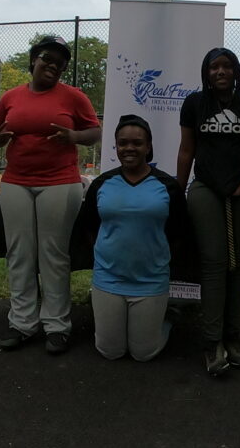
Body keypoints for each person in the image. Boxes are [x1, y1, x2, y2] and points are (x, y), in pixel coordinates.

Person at [0, 35, 101, 355]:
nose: (53, 65)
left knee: (53, 254)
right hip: (16, 182)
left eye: (60, 62)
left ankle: (56, 326)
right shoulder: (10, 97)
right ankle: (23, 323)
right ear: (33, 61)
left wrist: (75, 136)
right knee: (19, 253)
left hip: (59, 182)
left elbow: (95, 131)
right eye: (46, 58)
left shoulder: (74, 97)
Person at [177, 47, 240, 376]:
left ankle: (234, 337)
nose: (220, 72)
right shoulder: (194, 105)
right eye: (214, 67)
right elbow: (187, 149)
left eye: (227, 66)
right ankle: (211, 341)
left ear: (236, 71)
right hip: (207, 188)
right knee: (214, 263)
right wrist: (178, 190)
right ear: (206, 73)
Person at [69, 115, 190, 362]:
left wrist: (157, 260)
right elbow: (89, 228)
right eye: (123, 143)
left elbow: (179, 233)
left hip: (150, 280)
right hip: (108, 279)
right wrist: (106, 256)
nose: (129, 148)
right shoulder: (102, 183)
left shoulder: (167, 186)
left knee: (143, 353)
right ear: (116, 146)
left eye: (137, 143)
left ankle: (168, 319)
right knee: (110, 351)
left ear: (148, 147)